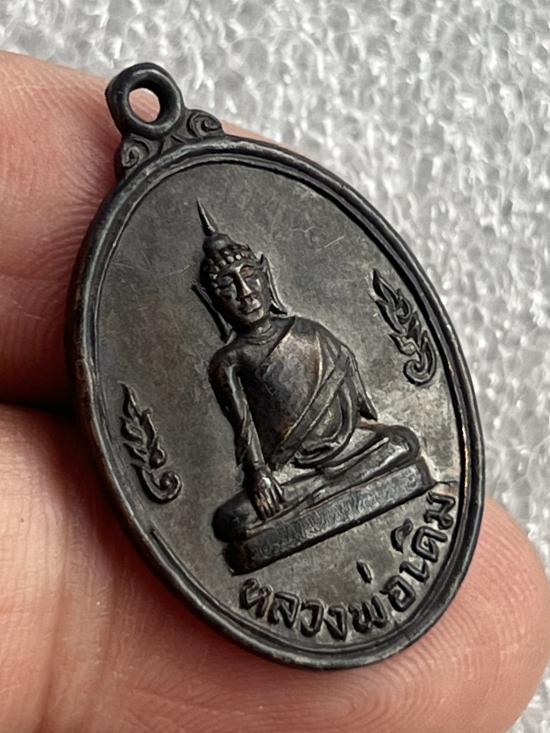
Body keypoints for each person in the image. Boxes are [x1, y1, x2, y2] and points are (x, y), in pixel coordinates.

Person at [0, 51, 548, 732]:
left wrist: (361, 433)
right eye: (227, 288)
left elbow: (364, 408)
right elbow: (244, 434)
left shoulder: (311, 331)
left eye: (248, 278)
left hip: (354, 453)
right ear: (213, 298)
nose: (243, 292)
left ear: (265, 274)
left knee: (406, 445)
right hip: (288, 477)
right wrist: (261, 478)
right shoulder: (228, 360)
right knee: (233, 522)